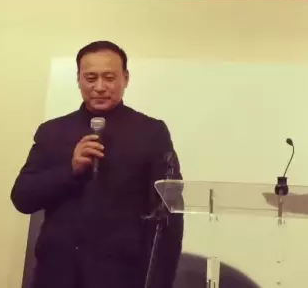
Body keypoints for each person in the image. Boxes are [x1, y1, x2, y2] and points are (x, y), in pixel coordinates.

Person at [11, 41, 184, 288]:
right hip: (56, 274)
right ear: (78, 79)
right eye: (91, 78)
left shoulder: (151, 132)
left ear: (125, 78)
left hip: (121, 276)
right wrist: (70, 170)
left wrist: (161, 281)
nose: (100, 87)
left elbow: (170, 213)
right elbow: (22, 198)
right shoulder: (53, 131)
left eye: (109, 78)